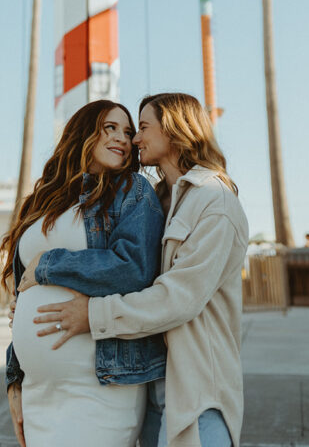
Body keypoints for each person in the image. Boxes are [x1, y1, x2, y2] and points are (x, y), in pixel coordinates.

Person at [30, 92, 249, 447]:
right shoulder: (159, 199)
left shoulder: (215, 201)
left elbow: (178, 298)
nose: (133, 139)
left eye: (142, 127)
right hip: (151, 390)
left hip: (196, 396)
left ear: (174, 130)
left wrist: (93, 314)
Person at [2, 99, 166, 447]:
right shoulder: (44, 201)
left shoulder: (133, 192)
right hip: (38, 390)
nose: (123, 138)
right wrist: (13, 380)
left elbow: (134, 268)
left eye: (128, 132)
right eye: (110, 128)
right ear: (84, 132)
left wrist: (49, 264)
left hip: (99, 384)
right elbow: (22, 299)